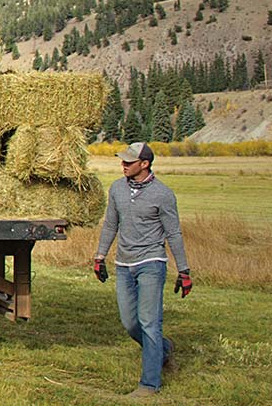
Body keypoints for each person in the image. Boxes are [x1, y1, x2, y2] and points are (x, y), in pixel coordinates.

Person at [94, 142, 192, 398]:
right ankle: (163, 349)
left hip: (151, 263)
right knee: (130, 323)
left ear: (145, 164)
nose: (123, 165)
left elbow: (174, 234)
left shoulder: (163, 194)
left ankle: (149, 385)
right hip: (123, 265)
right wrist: (100, 256)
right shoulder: (117, 189)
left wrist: (184, 271)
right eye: (123, 161)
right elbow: (110, 225)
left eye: (129, 161)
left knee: (150, 323)